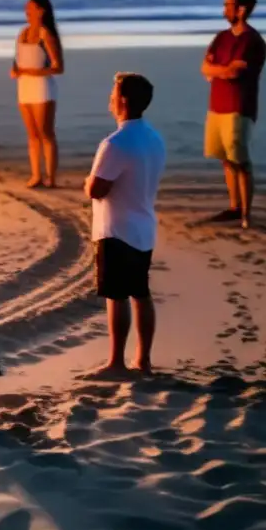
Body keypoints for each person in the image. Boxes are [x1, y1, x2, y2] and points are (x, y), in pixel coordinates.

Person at [84, 73, 165, 379]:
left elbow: (96, 189)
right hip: (143, 225)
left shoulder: (115, 143)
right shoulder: (153, 137)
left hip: (117, 228)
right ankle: (142, 359)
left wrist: (87, 183)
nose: (110, 97)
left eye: (113, 92)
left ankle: (117, 361)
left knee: (117, 296)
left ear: (124, 100)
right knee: (140, 293)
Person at [201, 0, 266, 229]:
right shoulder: (221, 37)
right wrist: (221, 71)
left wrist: (219, 71)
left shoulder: (252, 41)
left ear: (241, 10)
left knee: (240, 159)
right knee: (225, 158)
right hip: (217, 105)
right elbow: (206, 69)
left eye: (228, 5)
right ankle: (234, 207)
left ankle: (246, 214)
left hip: (239, 107)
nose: (224, 9)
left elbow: (234, 72)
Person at [11, 0, 65, 188]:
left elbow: (58, 67)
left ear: (41, 11)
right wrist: (15, 69)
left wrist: (35, 71)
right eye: (26, 8)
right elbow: (17, 58)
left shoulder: (45, 34)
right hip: (24, 86)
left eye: (31, 8)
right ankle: (36, 175)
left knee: (46, 133)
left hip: (42, 86)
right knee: (32, 134)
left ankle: (51, 176)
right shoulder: (23, 33)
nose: (27, 11)